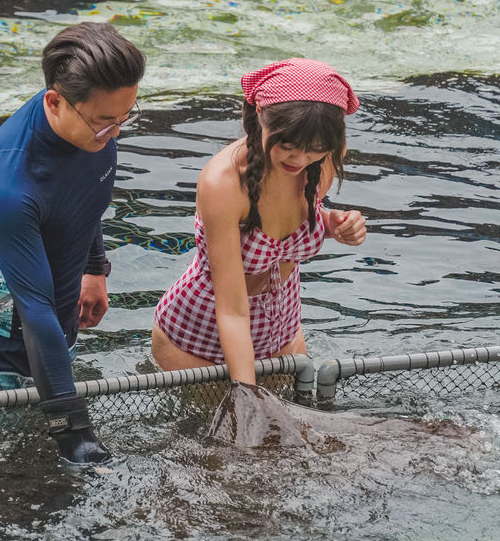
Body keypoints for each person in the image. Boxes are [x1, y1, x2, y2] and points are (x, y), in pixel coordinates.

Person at [0, 22, 145, 465]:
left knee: (36, 470)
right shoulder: (7, 182)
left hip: (54, 335)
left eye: (127, 116)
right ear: (54, 101)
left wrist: (94, 268)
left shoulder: (92, 124)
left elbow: (82, 200)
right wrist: (74, 432)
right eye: (107, 122)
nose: (117, 133)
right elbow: (34, 310)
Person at [152, 58, 366, 386]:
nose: (299, 159)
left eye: (315, 150)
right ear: (259, 117)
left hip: (281, 334)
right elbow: (233, 311)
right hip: (200, 341)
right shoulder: (222, 184)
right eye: (288, 146)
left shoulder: (322, 161)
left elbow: (284, 226)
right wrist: (247, 393)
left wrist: (331, 224)